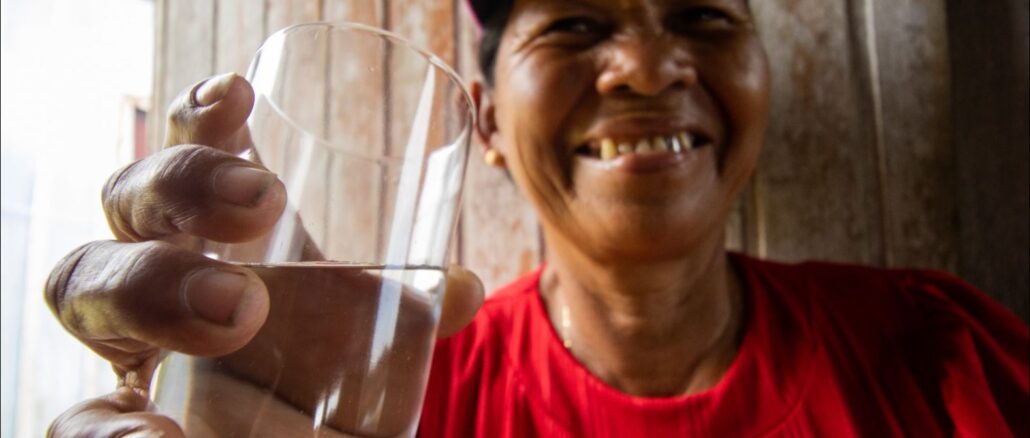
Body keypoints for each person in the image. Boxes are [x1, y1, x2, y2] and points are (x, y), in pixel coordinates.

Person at [46, 0, 1028, 436]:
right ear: (486, 126)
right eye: (573, 26)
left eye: (703, 17)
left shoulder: (940, 353)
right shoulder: (398, 403)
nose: (646, 68)